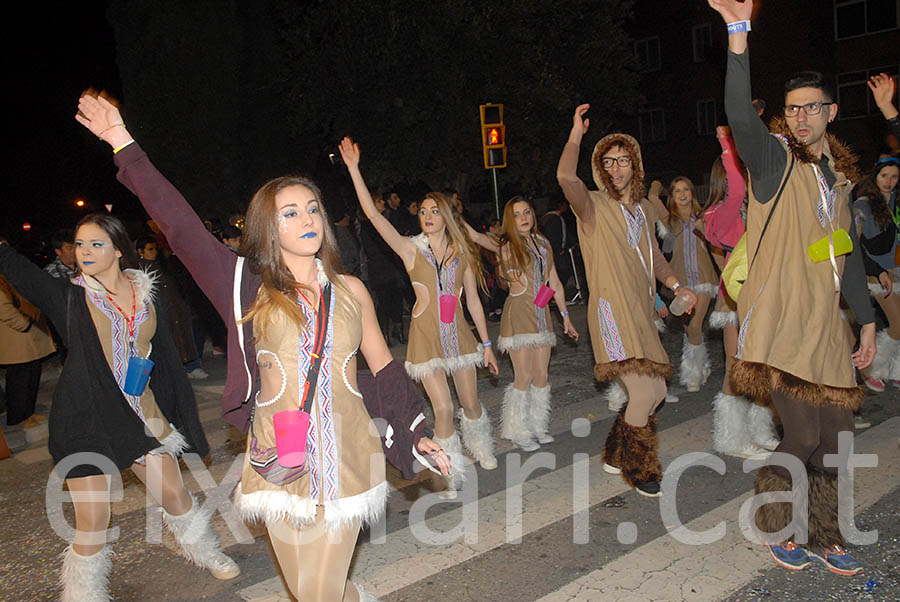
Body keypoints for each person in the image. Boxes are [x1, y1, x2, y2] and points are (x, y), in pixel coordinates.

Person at [77, 93, 450, 602]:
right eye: (290, 212)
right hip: (277, 457)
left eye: (312, 208)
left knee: (317, 595)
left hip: (349, 456)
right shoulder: (246, 287)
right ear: (268, 227)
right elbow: (180, 227)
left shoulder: (352, 291)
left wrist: (417, 432)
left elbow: (384, 370)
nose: (307, 219)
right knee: (306, 591)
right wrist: (124, 142)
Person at [711, 0, 877, 575]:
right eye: (792, 109)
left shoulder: (840, 178)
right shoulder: (774, 159)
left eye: (811, 108)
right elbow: (738, 112)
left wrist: (869, 321)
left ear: (830, 111)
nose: (801, 117)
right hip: (780, 323)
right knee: (801, 433)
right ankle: (779, 527)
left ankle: (824, 532)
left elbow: (846, 257)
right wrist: (738, 33)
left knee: (836, 440)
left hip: (826, 329)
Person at [0, 213, 235, 602]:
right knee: (93, 522)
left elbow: (161, 355)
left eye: (96, 244)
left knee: (175, 495)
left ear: (117, 250)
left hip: (141, 414)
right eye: (79, 244)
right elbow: (20, 273)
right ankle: (83, 595)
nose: (85, 252)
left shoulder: (146, 293)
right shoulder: (70, 296)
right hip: (86, 418)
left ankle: (206, 552)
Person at [340, 137, 499, 499]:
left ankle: (480, 445)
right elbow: (375, 216)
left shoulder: (462, 253)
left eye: (433, 211)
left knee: (470, 403)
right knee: (442, 408)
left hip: (459, 336)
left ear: (446, 215)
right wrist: (353, 169)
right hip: (425, 338)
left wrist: (486, 344)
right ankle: (447, 471)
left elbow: (473, 301)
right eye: (423, 211)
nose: (426, 216)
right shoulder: (410, 249)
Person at [556, 105, 697, 497]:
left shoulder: (643, 209)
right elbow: (565, 176)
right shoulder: (592, 206)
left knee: (660, 393)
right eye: (608, 162)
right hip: (612, 314)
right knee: (644, 393)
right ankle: (640, 468)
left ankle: (617, 453)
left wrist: (675, 286)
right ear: (600, 169)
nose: (616, 168)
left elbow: (654, 256)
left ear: (635, 165)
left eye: (623, 161)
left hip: (641, 312)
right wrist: (575, 135)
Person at [466, 197, 578, 451]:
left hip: (542, 316)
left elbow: (555, 283)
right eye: (517, 214)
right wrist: (451, 214)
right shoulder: (506, 244)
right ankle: (517, 430)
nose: (524, 217)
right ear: (510, 220)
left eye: (527, 212)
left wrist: (566, 317)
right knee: (524, 375)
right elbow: (476, 236)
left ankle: (538, 425)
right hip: (518, 315)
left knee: (541, 375)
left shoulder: (543, 243)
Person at [704, 127, 780, 459]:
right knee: (736, 369)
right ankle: (731, 439)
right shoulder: (719, 215)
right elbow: (736, 189)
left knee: (764, 368)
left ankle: (760, 430)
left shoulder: (757, 212)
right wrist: (728, 143)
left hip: (762, 299)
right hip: (734, 302)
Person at [853, 74, 900, 391]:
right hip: (874, 275)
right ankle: (873, 368)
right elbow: (854, 246)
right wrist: (876, 270)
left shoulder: (896, 202)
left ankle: (893, 370)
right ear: (875, 175)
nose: (890, 181)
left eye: (895, 176)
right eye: (885, 175)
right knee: (897, 323)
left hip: (895, 270)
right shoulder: (863, 205)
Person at [663, 176, 719, 392]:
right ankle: (703, 364)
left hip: (704, 280)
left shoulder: (703, 217)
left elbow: (715, 245)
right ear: (672, 196)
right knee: (689, 329)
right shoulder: (669, 221)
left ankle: (692, 373)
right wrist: (657, 186)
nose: (682, 194)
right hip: (682, 282)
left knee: (695, 325)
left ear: (692, 193)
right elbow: (666, 250)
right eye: (677, 191)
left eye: (686, 189)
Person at [0, 273, 54, 428]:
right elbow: (3, 308)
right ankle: (18, 417)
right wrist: (25, 324)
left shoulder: (5, 274)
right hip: (16, 335)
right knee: (19, 379)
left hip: (27, 331)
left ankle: (29, 413)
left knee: (31, 374)